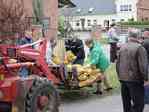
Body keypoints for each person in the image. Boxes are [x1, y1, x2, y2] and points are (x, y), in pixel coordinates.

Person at [116, 29, 148, 112]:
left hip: (123, 79)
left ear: (129, 36)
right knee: (139, 104)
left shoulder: (122, 47)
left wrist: (119, 77)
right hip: (135, 79)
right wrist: (146, 79)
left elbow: (117, 64)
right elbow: (143, 66)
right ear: (138, 36)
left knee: (126, 104)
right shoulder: (139, 47)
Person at [91, 26, 112, 92]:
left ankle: (99, 90)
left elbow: (96, 56)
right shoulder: (96, 42)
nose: (92, 34)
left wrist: (92, 63)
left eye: (93, 33)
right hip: (103, 61)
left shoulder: (96, 44)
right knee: (104, 74)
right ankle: (108, 86)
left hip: (101, 62)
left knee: (100, 75)